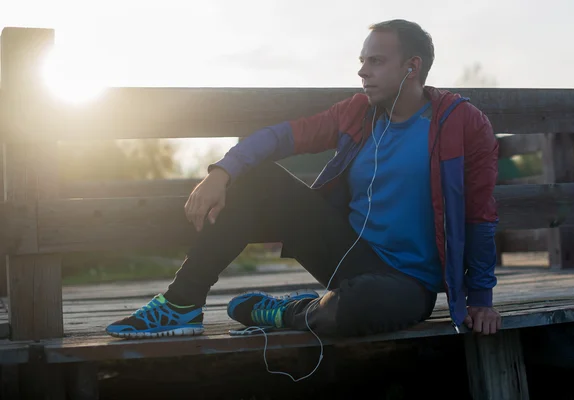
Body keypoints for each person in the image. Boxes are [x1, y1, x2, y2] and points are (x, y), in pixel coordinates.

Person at [106, 19, 502, 340]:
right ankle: (181, 304)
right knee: (257, 180)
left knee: (343, 314)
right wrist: (221, 171)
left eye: (376, 61)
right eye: (362, 60)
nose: (362, 71)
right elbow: (281, 136)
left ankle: (289, 310)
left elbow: (480, 215)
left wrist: (480, 299)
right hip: (347, 253)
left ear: (411, 67)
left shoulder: (462, 124)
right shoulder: (358, 113)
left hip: (408, 284)